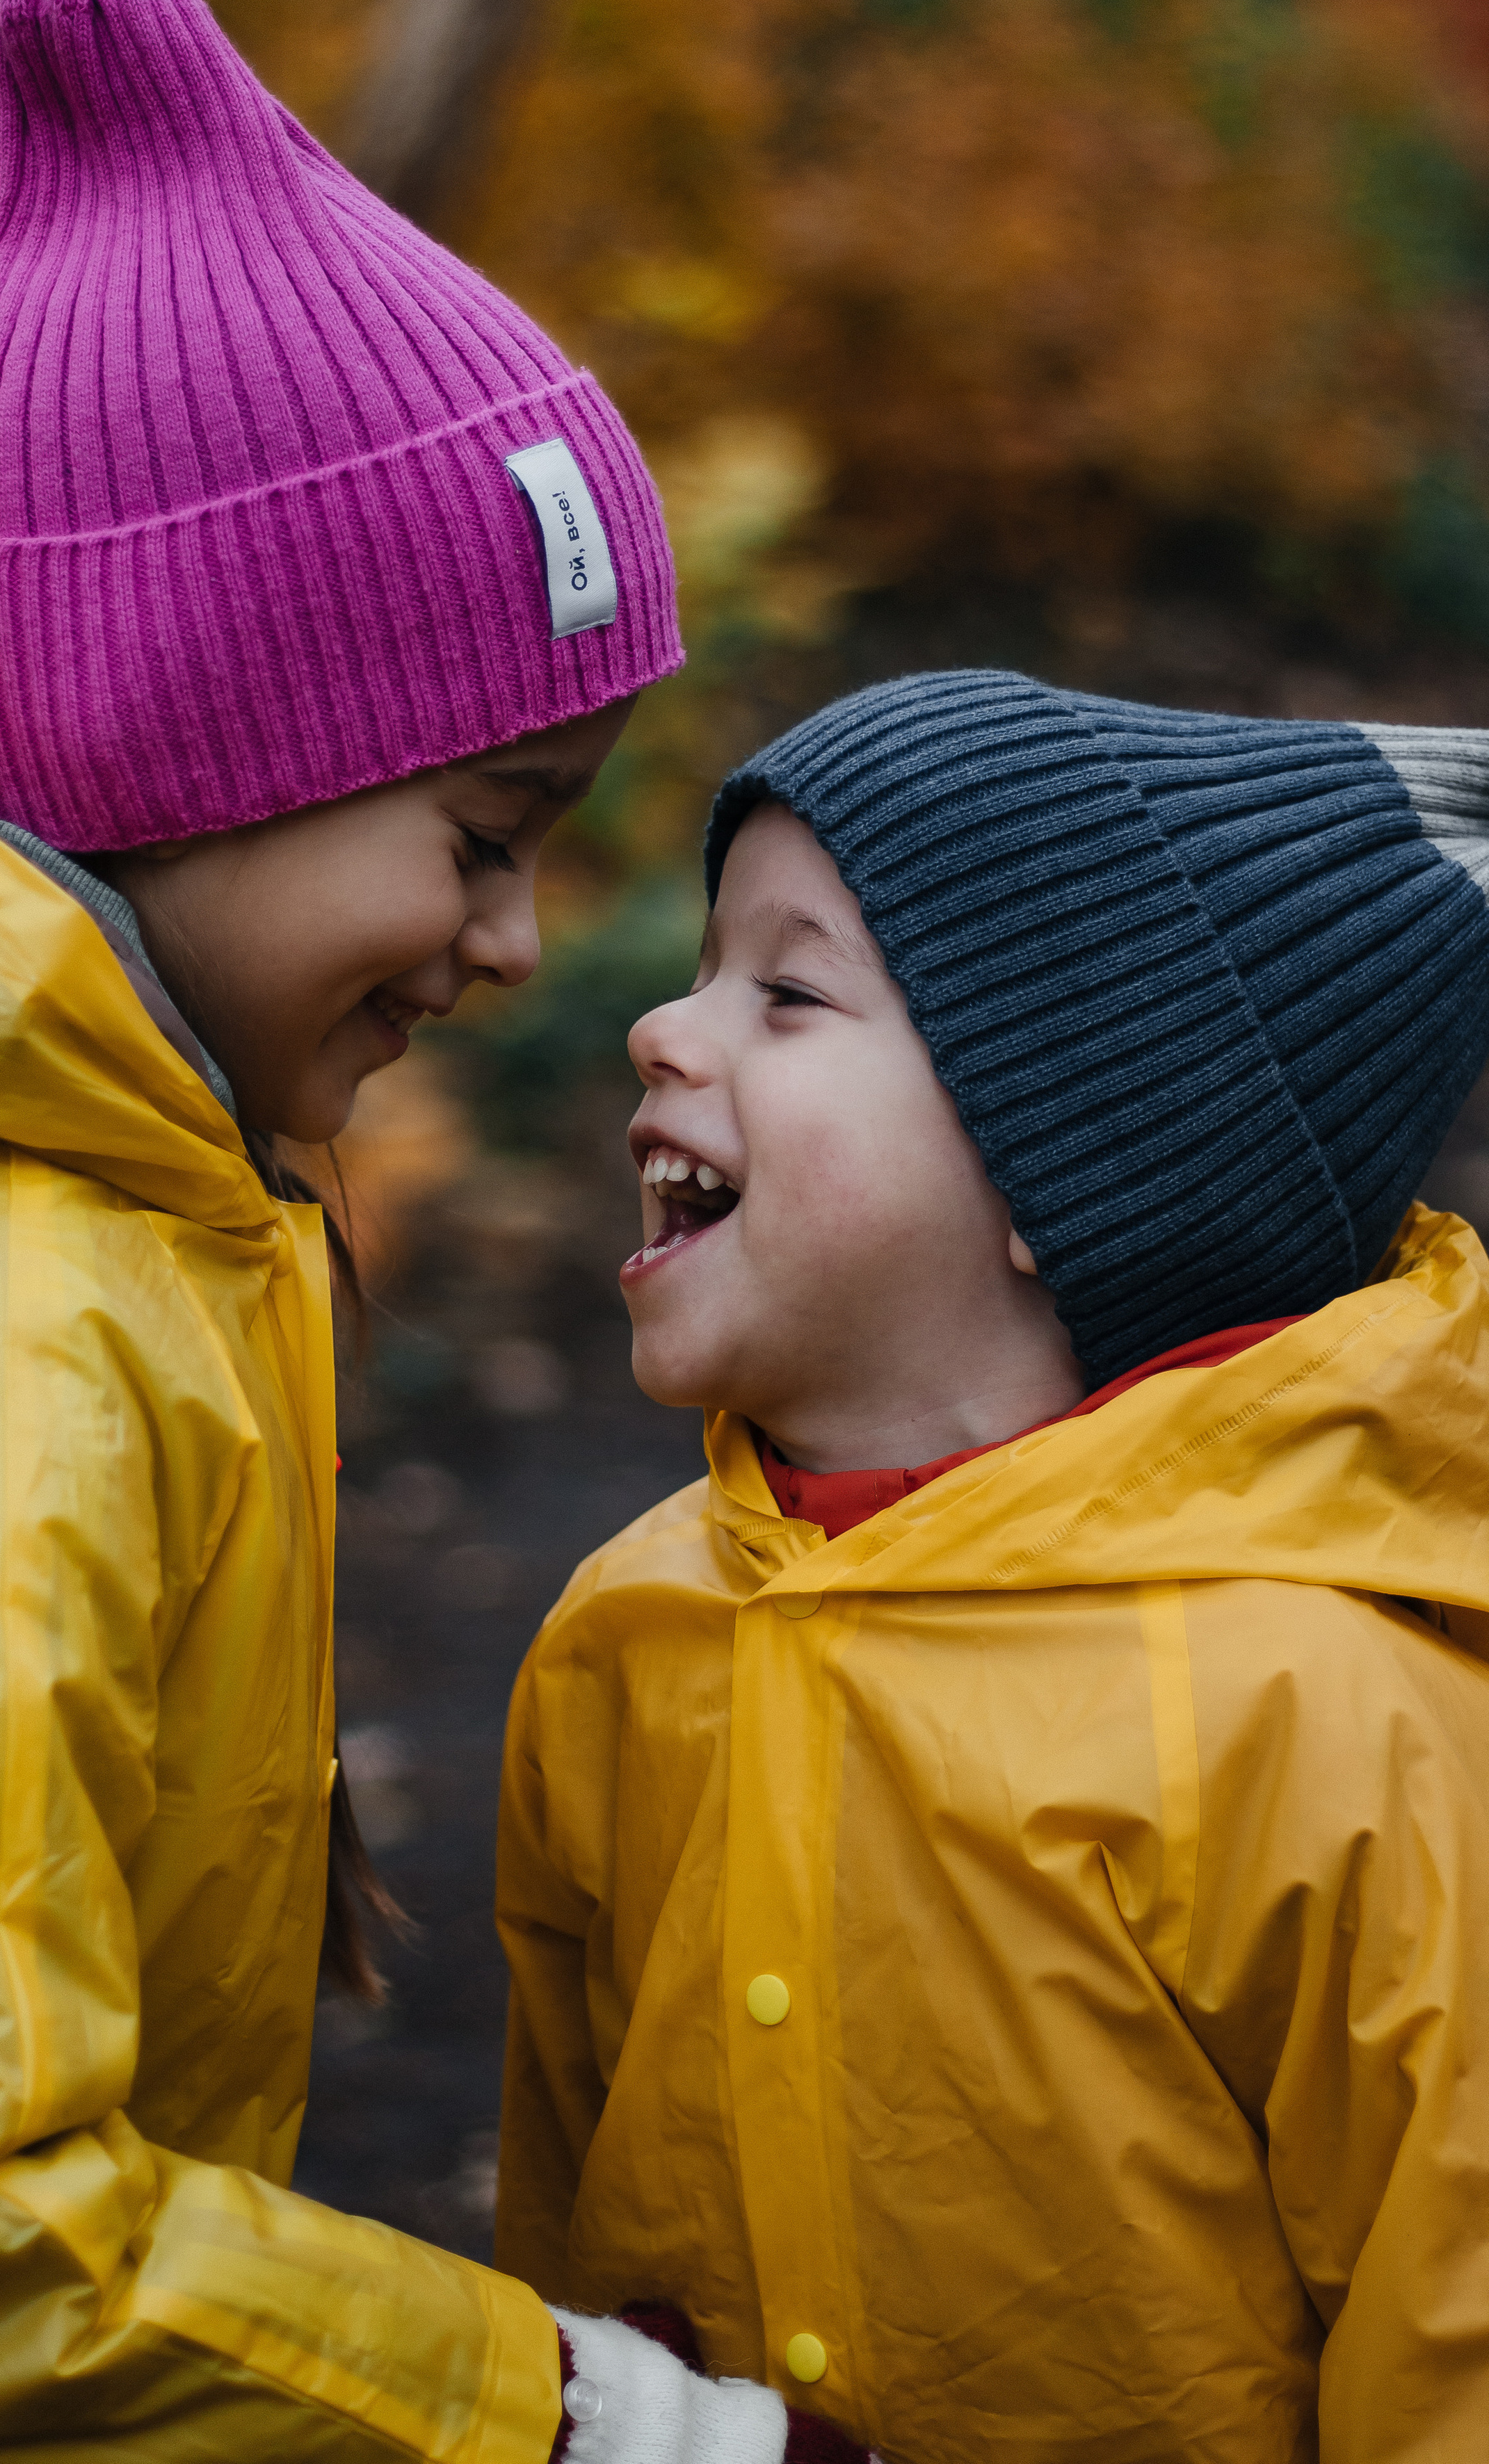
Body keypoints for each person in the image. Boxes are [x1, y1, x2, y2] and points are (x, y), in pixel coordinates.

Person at [0, 0, 858, 2464]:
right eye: (478, 841)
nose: (517, 948)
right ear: (171, 740)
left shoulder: (124, 1194)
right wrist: (573, 2421)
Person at [494, 669, 1489, 2461]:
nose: (662, 1024)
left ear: (1069, 1169)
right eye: (707, 966)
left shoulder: (1322, 1719)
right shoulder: (626, 1638)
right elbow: (567, 2271)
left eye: (788, 994)